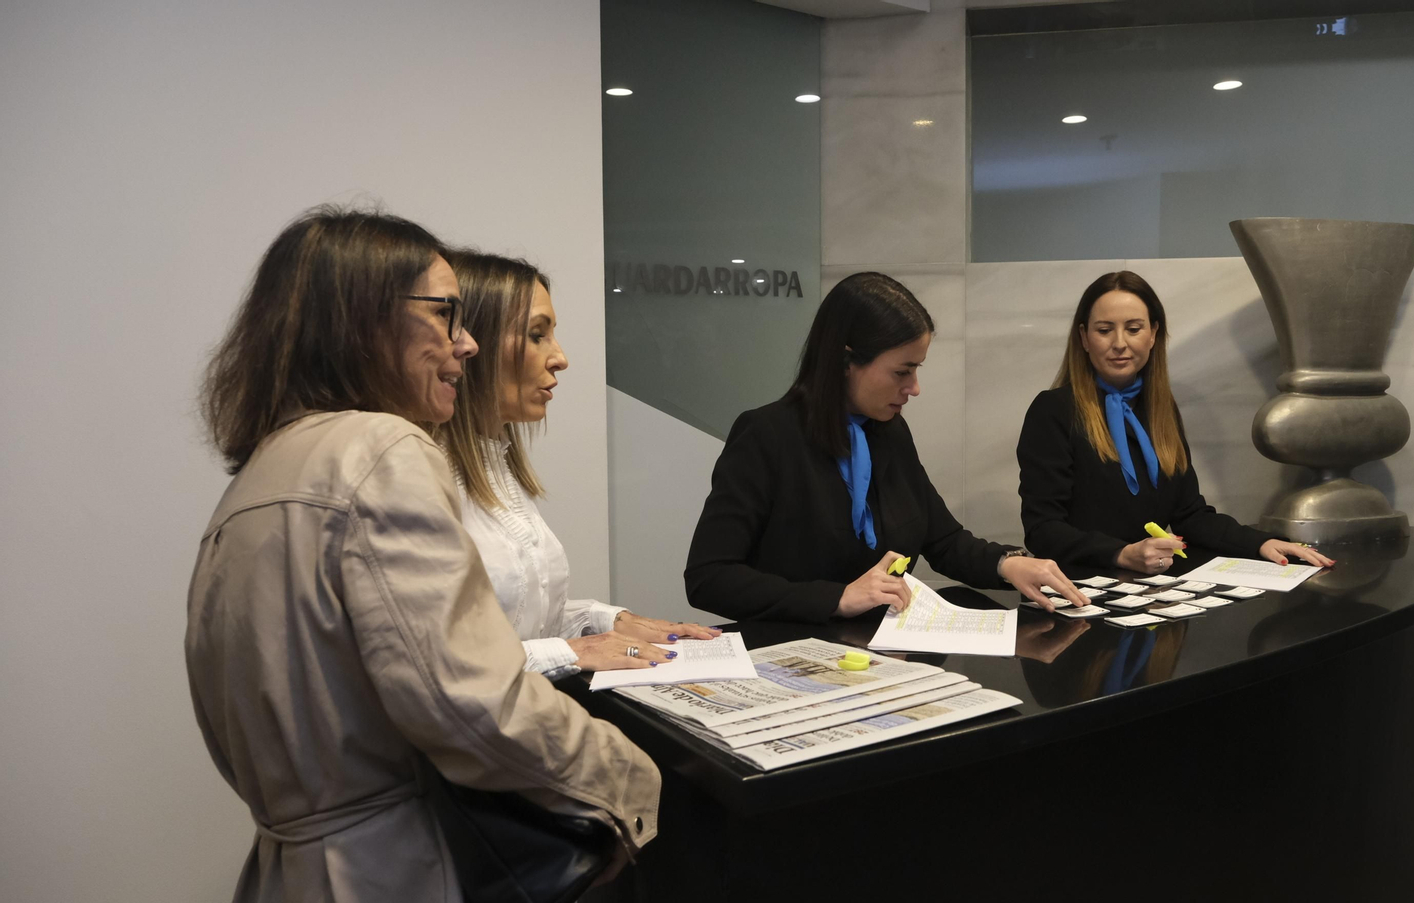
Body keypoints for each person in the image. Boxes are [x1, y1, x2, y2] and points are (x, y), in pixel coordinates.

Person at [186, 207, 658, 903]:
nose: (466, 344)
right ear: (361, 320)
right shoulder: (382, 450)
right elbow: (473, 704)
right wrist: (628, 780)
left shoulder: (258, 476)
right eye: (445, 315)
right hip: (399, 867)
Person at [685, 271, 1086, 623]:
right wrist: (837, 598)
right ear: (845, 361)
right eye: (901, 371)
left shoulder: (889, 432)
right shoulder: (766, 435)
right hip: (797, 660)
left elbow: (943, 540)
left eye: (916, 370)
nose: (914, 388)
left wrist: (1008, 563)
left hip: (883, 655)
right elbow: (710, 576)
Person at [436, 249, 719, 677]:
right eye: (536, 335)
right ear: (474, 343)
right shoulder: (422, 477)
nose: (560, 358)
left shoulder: (496, 464)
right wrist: (573, 652)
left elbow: (517, 617)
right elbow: (438, 662)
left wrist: (608, 621)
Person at [1016, 270, 1335, 575]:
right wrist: (1121, 553)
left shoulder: (1160, 409)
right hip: (1080, 593)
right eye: (1104, 330)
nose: (1119, 343)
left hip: (1149, 594)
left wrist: (1261, 542)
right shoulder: (1053, 410)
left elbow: (1190, 516)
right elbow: (1043, 530)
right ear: (1084, 338)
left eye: (1133, 328)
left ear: (1153, 333)